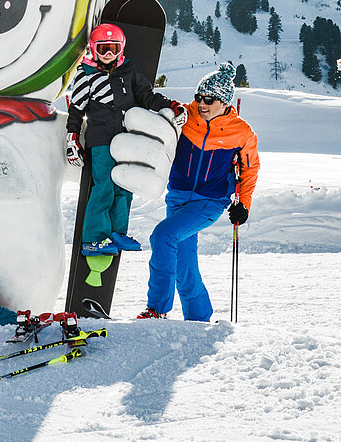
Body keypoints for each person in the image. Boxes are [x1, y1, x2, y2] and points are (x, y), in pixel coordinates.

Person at [137, 61, 259, 322]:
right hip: (178, 196)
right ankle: (199, 317)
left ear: (225, 102)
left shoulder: (242, 133)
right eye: (198, 97)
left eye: (209, 100)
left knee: (163, 235)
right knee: (184, 264)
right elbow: (159, 110)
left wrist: (244, 204)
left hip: (209, 202)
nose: (201, 104)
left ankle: (156, 309)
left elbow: (249, 169)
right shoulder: (187, 115)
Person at [66, 22, 185, 254]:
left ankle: (117, 232)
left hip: (127, 141)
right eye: (103, 49)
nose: (108, 54)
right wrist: (72, 137)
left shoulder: (127, 72)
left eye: (113, 48)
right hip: (100, 140)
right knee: (104, 187)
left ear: (121, 49)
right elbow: (76, 110)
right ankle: (94, 238)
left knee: (125, 185)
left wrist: (169, 106)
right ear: (93, 49)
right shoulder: (86, 74)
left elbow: (146, 96)